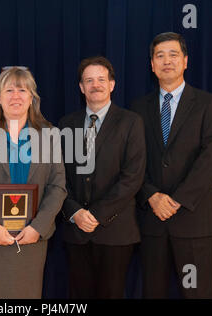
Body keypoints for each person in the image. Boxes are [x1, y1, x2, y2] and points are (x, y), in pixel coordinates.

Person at [130, 32, 212, 298]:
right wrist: (152, 196)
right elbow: (134, 161)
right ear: (152, 65)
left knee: (198, 293)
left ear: (185, 61)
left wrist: (176, 200)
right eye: (160, 56)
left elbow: (210, 158)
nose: (166, 61)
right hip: (153, 220)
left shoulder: (208, 104)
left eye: (173, 55)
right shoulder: (138, 108)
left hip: (193, 219)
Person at [0, 66, 67, 299]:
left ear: (32, 97)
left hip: (31, 236)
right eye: (9, 90)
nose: (16, 96)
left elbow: (57, 186)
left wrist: (38, 227)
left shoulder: (49, 134)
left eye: (22, 90)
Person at [58, 56, 146, 298]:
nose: (95, 85)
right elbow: (57, 177)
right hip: (76, 231)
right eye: (89, 80)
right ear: (81, 87)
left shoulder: (131, 122)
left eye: (101, 79)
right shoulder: (66, 124)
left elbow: (133, 177)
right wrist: (75, 212)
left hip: (115, 231)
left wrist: (97, 214)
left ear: (112, 84)